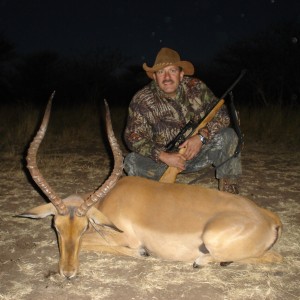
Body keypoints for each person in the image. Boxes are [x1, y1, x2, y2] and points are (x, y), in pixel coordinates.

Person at [123, 47, 241, 194]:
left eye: (172, 70)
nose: (166, 77)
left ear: (181, 74)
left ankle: (229, 187)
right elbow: (133, 138)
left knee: (228, 135)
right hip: (163, 162)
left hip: (197, 154)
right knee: (131, 161)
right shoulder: (142, 99)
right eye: (161, 72)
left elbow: (222, 115)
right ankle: (158, 190)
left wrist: (202, 137)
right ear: (154, 76)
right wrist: (163, 156)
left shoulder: (196, 87)